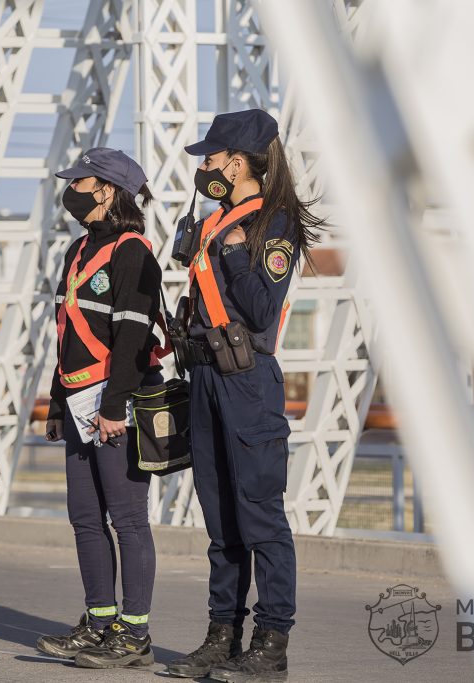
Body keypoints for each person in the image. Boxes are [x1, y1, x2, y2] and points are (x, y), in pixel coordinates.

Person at [164, 109, 324, 682]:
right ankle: (221, 636)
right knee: (221, 519)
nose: (203, 167)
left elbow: (260, 310)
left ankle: (271, 642)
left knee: (260, 516)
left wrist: (234, 250)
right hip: (206, 376)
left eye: (210, 157)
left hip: (247, 382)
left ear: (237, 162)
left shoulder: (272, 224)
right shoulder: (217, 220)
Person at [35, 148, 165, 669]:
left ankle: (134, 635)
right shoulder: (79, 250)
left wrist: (114, 407)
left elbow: (133, 336)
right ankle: (100, 623)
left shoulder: (134, 253)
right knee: (85, 518)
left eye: (81, 183)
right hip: (78, 400)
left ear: (107, 191)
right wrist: (56, 402)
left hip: (117, 406)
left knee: (128, 520)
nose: (72, 192)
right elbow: (67, 331)